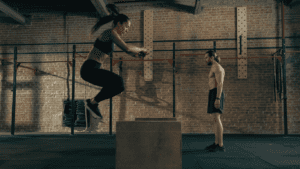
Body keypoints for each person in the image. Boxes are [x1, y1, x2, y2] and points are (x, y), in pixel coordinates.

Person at [80, 4, 149, 119]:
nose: (127, 30)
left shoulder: (112, 35)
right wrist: (141, 49)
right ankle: (92, 103)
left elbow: (129, 50)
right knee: (118, 82)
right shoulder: (110, 33)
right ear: (119, 23)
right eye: (126, 27)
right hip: (89, 68)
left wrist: (137, 54)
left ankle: (92, 102)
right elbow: (127, 48)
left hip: (93, 69)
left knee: (118, 85)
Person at [203, 50, 226, 152]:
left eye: (206, 57)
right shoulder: (213, 67)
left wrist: (218, 98)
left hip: (216, 93)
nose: (205, 59)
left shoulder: (217, 67)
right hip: (213, 92)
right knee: (214, 119)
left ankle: (220, 145)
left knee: (217, 118)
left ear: (211, 57)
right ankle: (216, 143)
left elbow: (220, 84)